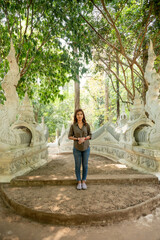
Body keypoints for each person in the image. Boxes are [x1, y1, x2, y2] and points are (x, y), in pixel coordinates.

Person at [68, 109, 92, 190]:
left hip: (86, 148)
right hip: (77, 148)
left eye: (81, 114)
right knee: (77, 165)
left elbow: (90, 135)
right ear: (76, 116)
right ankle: (79, 182)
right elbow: (69, 136)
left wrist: (84, 138)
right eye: (78, 114)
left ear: (83, 115)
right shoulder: (73, 126)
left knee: (85, 165)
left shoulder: (86, 125)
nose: (79, 116)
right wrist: (78, 138)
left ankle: (83, 181)